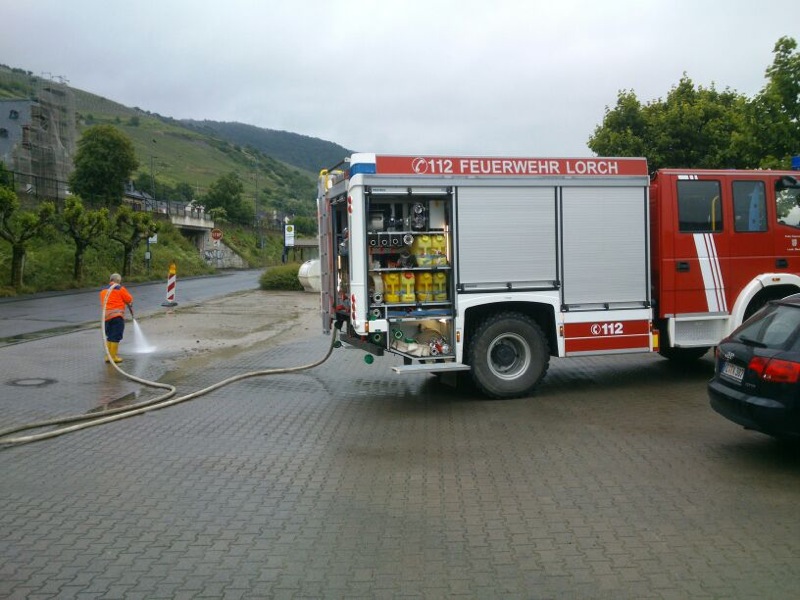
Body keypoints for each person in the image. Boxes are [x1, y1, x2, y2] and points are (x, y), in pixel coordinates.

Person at [99, 273, 134, 363]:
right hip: (117, 317)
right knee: (116, 336)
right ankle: (113, 357)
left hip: (106, 317)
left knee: (110, 336)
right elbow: (129, 299)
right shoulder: (120, 289)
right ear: (118, 281)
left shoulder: (103, 290)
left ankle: (108, 357)